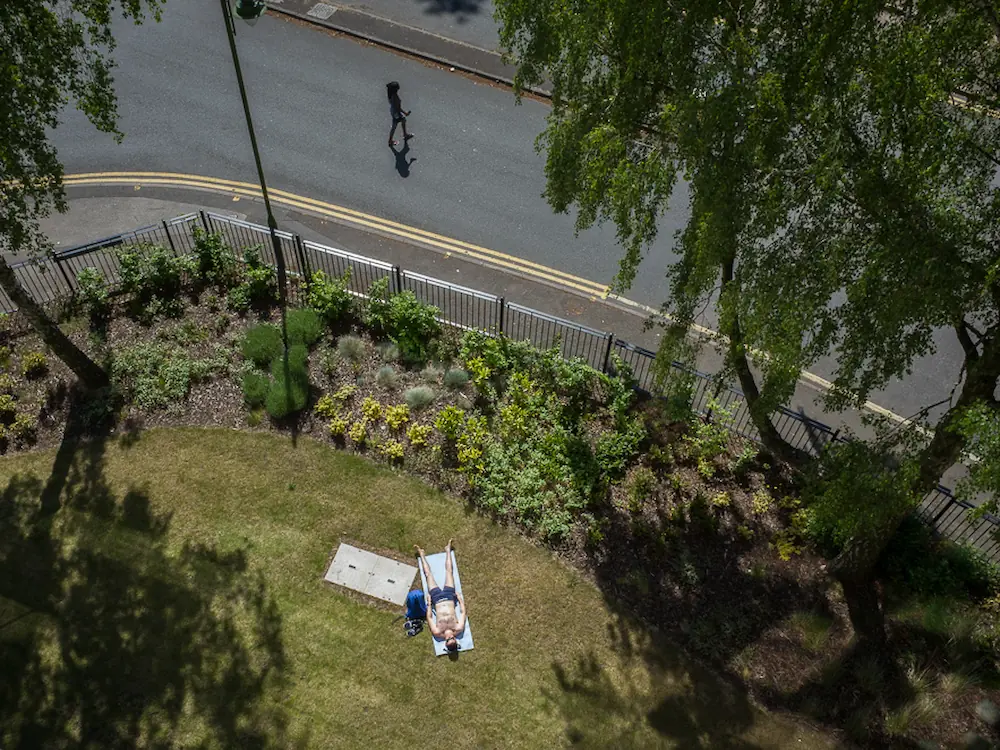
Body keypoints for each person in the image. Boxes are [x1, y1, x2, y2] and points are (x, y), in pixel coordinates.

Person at [415, 540, 466, 652]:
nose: (450, 636)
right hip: (449, 597)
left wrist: (428, 603)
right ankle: (447, 550)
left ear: (445, 642)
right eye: (453, 638)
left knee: (428, 575)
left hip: (436, 599)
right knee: (449, 572)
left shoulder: (437, 632)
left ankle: (422, 554)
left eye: (448, 639)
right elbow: (463, 612)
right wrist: (460, 599)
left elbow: (429, 617)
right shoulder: (458, 628)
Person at [386, 81, 413, 147]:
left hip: (393, 111)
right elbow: (398, 108)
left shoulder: (390, 94)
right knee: (395, 125)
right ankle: (390, 141)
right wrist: (405, 113)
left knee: (403, 121)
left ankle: (404, 135)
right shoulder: (394, 97)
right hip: (396, 113)